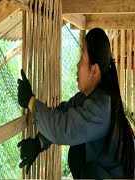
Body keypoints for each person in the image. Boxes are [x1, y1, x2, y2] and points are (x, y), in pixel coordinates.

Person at [17, 28, 134, 179]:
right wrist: (39, 142)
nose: (77, 65)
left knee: (80, 160)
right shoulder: (90, 98)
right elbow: (64, 113)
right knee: (78, 156)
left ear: (94, 70)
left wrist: (31, 102)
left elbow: (63, 129)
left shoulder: (101, 109)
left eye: (82, 58)